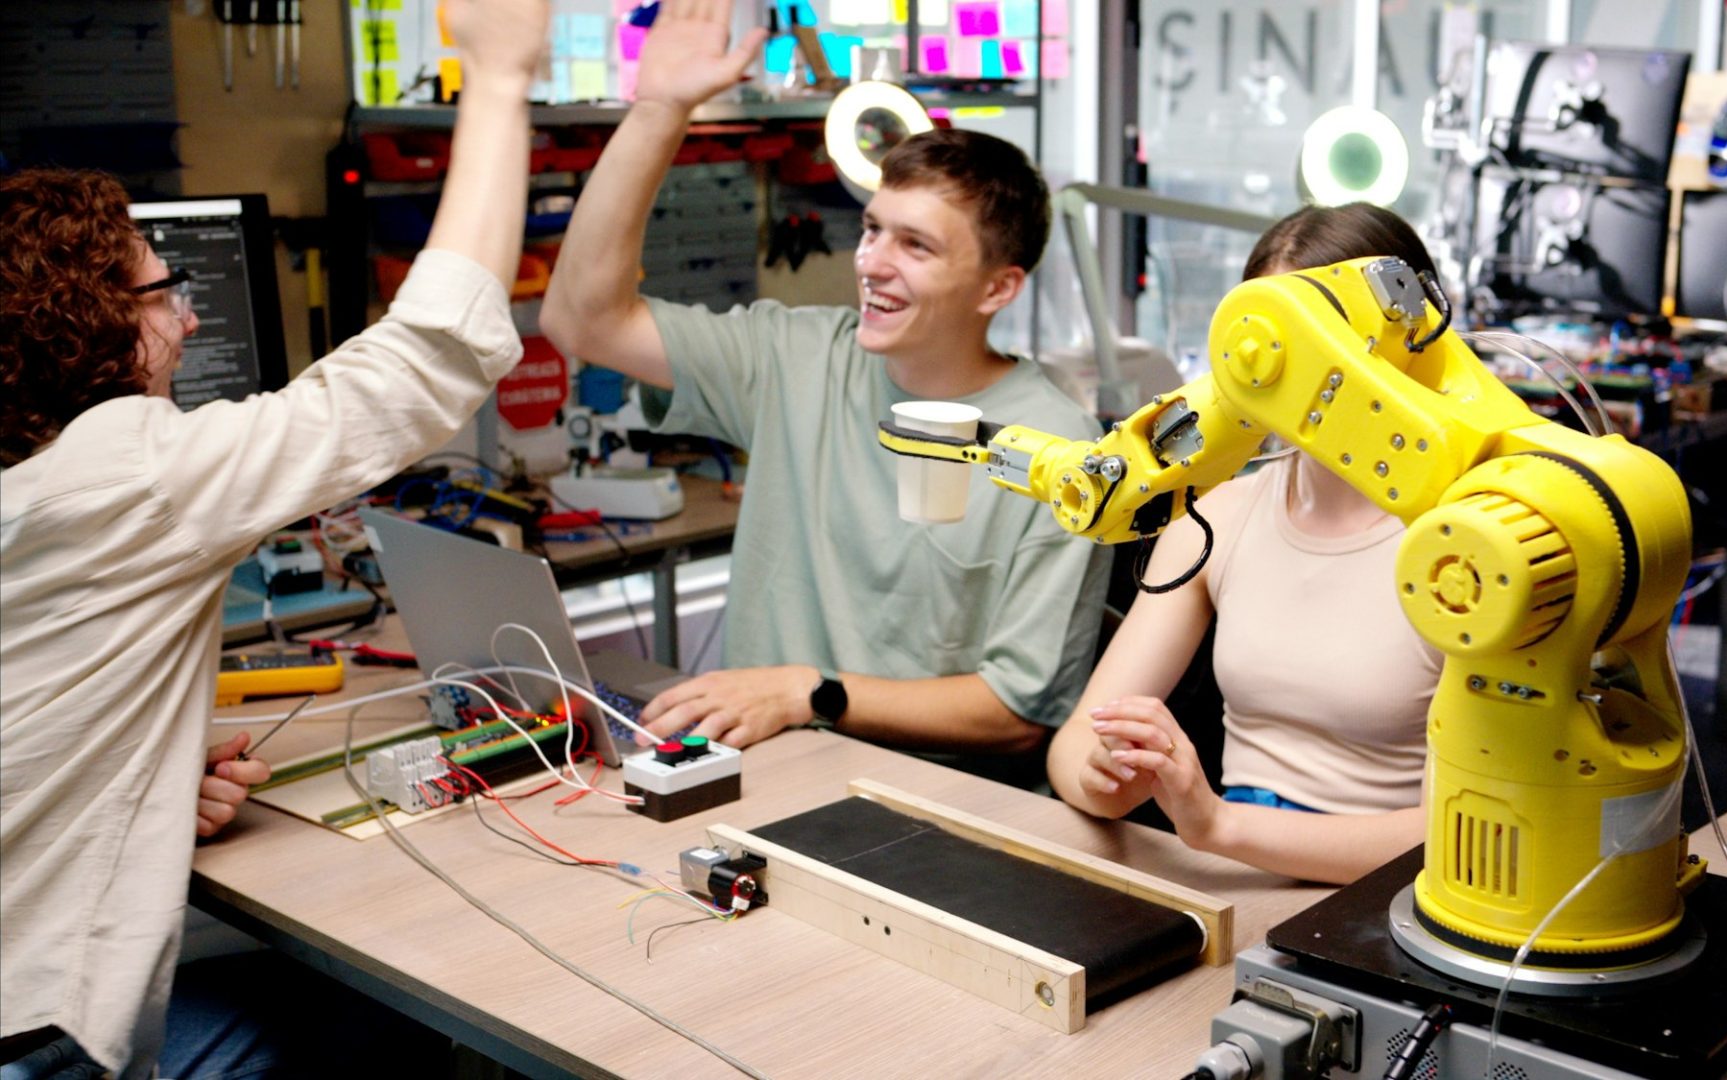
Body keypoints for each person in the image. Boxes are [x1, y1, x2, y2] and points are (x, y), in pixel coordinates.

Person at [0, 1, 550, 1075]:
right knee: (399, 1018)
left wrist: (134, 789)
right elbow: (425, 359)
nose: (192, 319)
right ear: (86, 317)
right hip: (36, 1039)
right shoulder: (125, 476)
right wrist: (496, 79)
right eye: (165, 292)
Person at [540, 0, 1109, 769]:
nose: (871, 262)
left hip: (933, 819)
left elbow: (1018, 712)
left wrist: (810, 692)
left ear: (996, 290)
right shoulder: (796, 357)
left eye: (916, 245)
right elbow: (581, 320)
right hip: (766, 780)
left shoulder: (1060, 456)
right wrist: (659, 109)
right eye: (873, 229)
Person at [1045, 203, 1447, 885]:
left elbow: (1453, 842)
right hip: (1231, 879)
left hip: (1382, 904)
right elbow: (1074, 745)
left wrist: (1218, 824)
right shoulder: (1223, 514)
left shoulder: (1470, 550)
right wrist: (1108, 777)